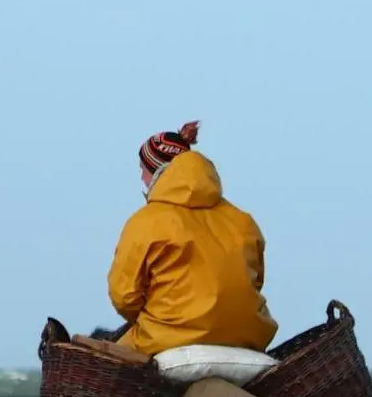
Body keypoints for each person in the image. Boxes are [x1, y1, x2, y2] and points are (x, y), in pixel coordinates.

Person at [105, 121, 278, 357]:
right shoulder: (243, 221)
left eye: (142, 170)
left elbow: (125, 297)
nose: (142, 179)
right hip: (248, 340)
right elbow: (254, 282)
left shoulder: (145, 222)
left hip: (164, 341)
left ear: (157, 171)